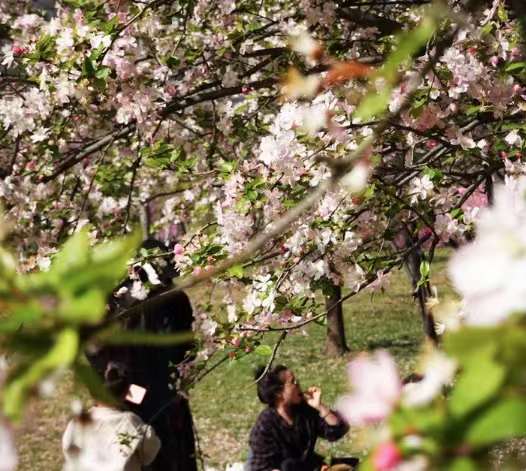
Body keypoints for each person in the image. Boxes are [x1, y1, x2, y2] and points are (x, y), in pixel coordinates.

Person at [86, 239, 198, 471]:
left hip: (114, 401)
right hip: (157, 398)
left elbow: (92, 352)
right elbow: (180, 351)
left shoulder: (109, 300)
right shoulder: (169, 300)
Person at [248, 365, 358, 471]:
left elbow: (337, 431)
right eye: (293, 382)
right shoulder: (265, 425)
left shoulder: (303, 410)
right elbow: (263, 467)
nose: (298, 385)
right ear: (278, 393)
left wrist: (320, 407)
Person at [62, 361, 161, 471]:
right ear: (125, 393)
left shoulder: (77, 423)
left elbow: (69, 453)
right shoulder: (129, 422)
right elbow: (151, 449)